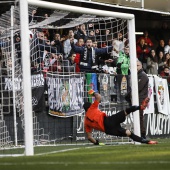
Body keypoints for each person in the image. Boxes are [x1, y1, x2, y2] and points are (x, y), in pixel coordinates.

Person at [83, 89, 157, 145]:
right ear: (90, 107)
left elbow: (89, 137)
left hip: (108, 130)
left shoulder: (86, 122)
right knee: (126, 111)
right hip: (108, 120)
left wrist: (97, 143)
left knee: (128, 133)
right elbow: (98, 96)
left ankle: (148, 142)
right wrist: (93, 93)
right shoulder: (92, 108)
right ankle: (140, 107)